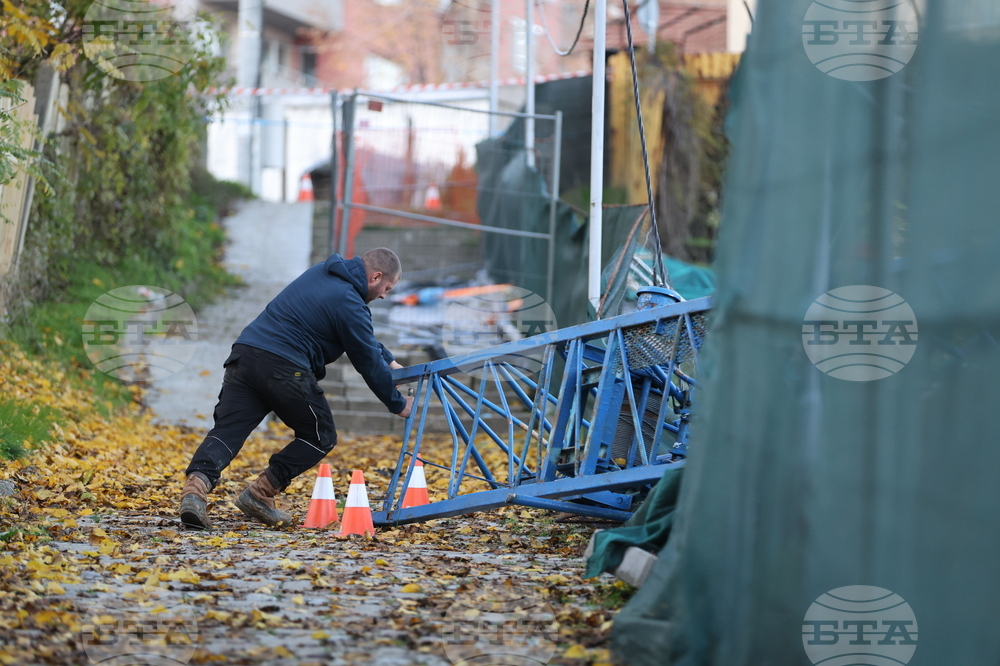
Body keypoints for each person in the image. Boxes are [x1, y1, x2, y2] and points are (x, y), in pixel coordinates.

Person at [178, 248, 414, 530]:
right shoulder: (350, 301)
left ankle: (194, 491)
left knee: (229, 430)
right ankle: (261, 493)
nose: (384, 295)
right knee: (320, 435)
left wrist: (391, 362)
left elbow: (360, 335)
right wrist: (398, 404)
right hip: (284, 366)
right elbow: (365, 357)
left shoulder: (322, 272)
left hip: (246, 354)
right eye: (386, 287)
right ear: (375, 276)